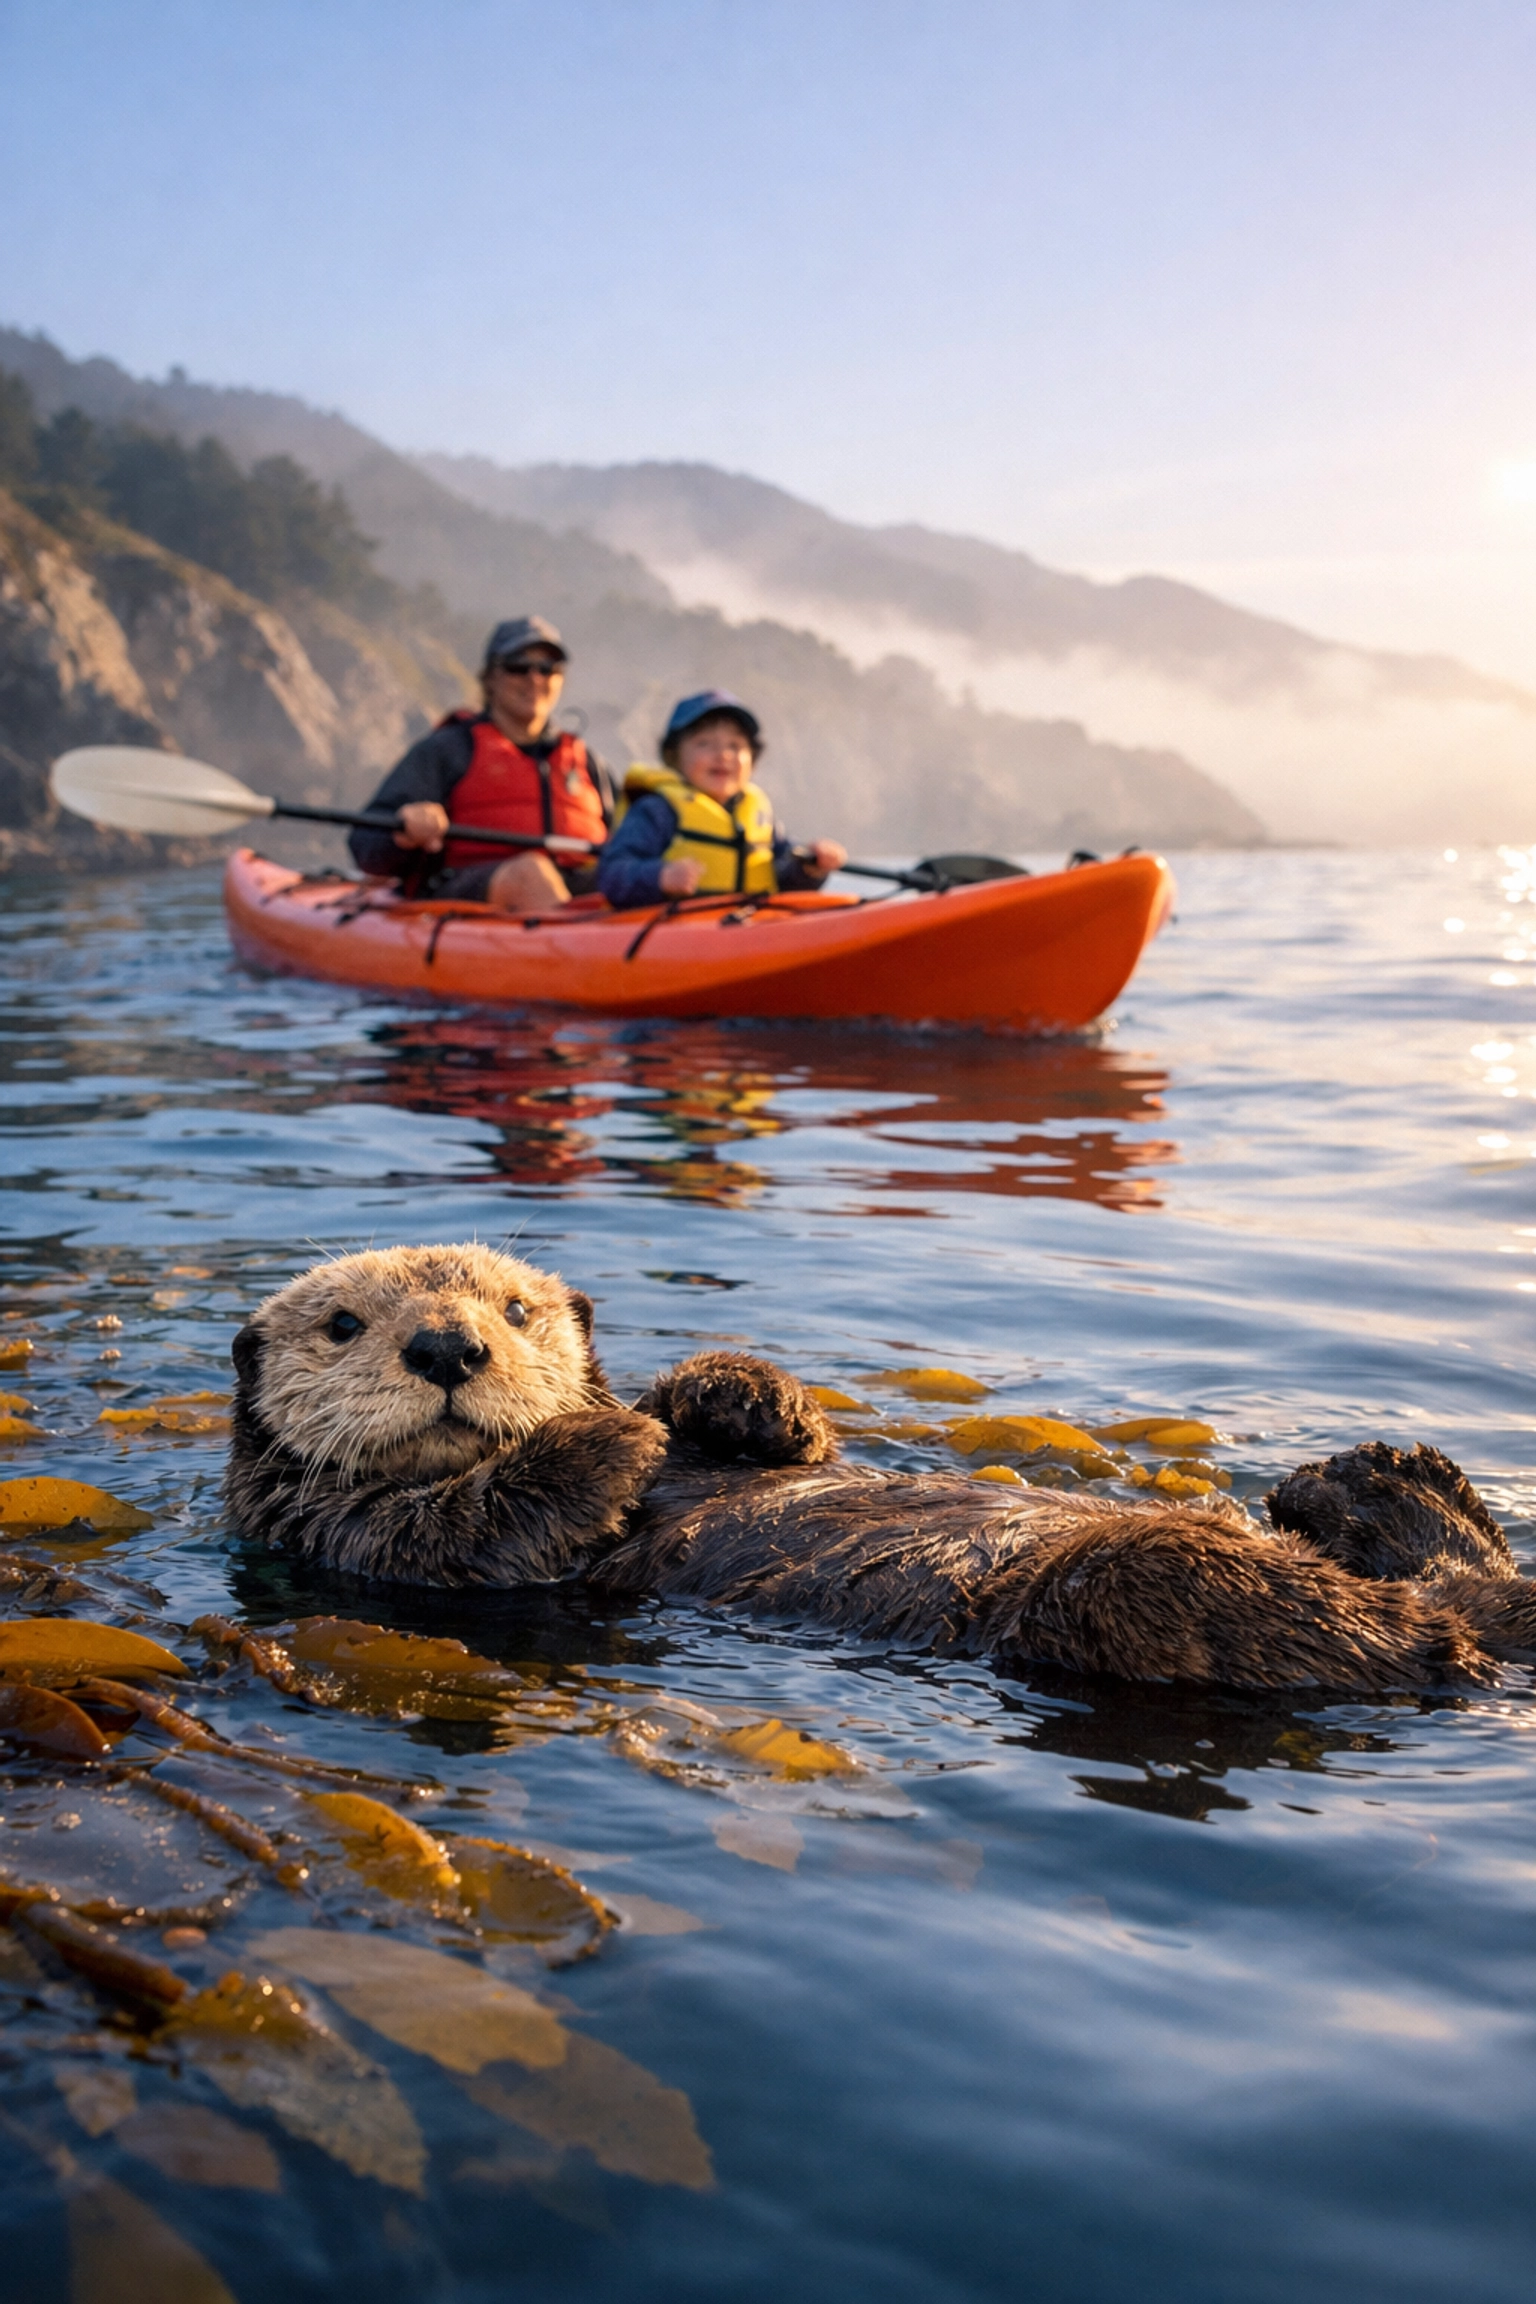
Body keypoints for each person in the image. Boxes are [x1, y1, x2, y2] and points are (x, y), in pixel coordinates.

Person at [348, 616, 612, 911]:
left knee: (638, 878)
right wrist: (404, 832)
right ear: (490, 679)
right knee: (529, 874)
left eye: (547, 669)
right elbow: (364, 843)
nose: (535, 679)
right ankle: (573, 948)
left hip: (571, 890)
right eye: (518, 667)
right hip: (469, 889)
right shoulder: (449, 749)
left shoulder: (587, 763)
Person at [596, 691, 846, 910]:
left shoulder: (759, 816)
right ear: (673, 757)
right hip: (678, 936)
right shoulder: (657, 811)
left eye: (735, 746)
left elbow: (786, 874)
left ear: (752, 761)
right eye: (704, 744)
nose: (723, 755)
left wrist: (812, 867)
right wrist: (659, 877)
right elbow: (612, 874)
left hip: (749, 929)